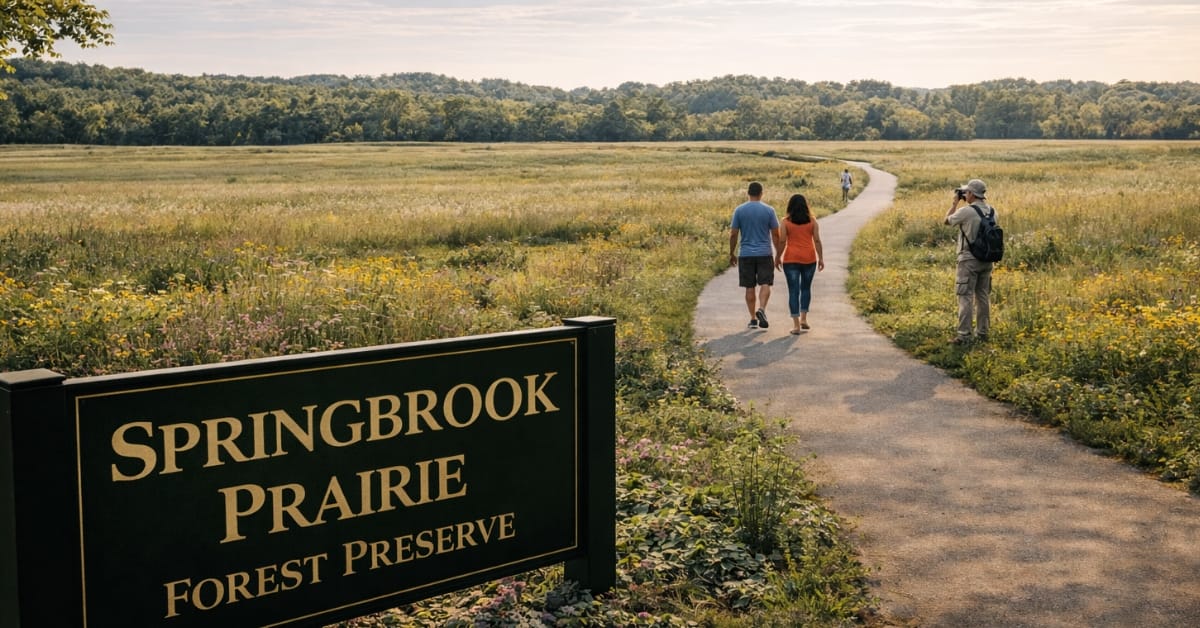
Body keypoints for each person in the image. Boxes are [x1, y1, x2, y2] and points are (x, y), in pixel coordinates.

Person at [944, 178, 995, 344]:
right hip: (987, 260)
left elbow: (947, 220)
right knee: (982, 296)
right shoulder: (992, 211)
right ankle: (983, 333)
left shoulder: (967, 211)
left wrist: (954, 203)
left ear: (972, 194)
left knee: (965, 296)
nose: (965, 194)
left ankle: (964, 336)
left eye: (966, 192)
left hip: (968, 260)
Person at [729, 181, 780, 329]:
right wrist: (777, 254)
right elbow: (776, 234)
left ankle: (752, 319)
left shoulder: (739, 210)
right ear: (761, 193)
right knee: (765, 283)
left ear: (748, 193)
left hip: (745, 254)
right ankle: (762, 309)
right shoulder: (769, 210)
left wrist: (732, 253)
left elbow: (733, 234)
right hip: (765, 253)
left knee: (749, 287)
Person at [774, 194, 824, 334]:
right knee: (806, 289)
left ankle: (796, 325)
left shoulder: (785, 222)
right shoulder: (812, 221)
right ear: (805, 205)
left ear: (790, 206)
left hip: (791, 260)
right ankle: (804, 319)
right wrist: (821, 258)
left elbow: (782, 241)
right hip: (809, 259)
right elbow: (817, 241)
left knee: (793, 291)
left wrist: (778, 257)